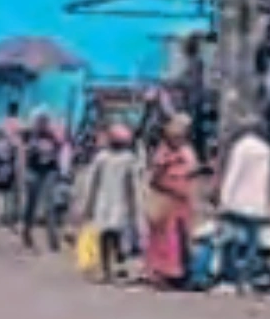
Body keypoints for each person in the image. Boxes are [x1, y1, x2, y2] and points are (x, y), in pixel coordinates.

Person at [75, 123, 143, 281]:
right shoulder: (108, 158)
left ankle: (112, 266)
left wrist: (87, 204)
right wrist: (87, 204)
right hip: (108, 202)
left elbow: (132, 184)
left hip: (114, 202)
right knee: (108, 234)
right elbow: (92, 182)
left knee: (111, 234)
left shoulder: (122, 159)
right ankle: (109, 268)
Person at [216, 125, 270, 291]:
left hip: (238, 202)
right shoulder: (266, 150)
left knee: (231, 241)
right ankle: (247, 279)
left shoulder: (240, 148)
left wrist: (224, 199)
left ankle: (230, 278)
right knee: (252, 243)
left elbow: (233, 174)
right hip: (257, 203)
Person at [144, 113, 199, 287]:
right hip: (166, 201)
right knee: (165, 238)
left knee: (179, 238)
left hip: (181, 202)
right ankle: (162, 273)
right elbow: (155, 177)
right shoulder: (163, 152)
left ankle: (176, 273)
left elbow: (192, 171)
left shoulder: (186, 151)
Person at [18, 109, 70, 252]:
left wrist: (63, 170)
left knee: (50, 206)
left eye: (44, 121)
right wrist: (23, 173)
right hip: (33, 171)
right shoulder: (28, 135)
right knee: (31, 204)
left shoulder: (52, 136)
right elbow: (22, 153)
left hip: (49, 172)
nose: (42, 124)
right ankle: (26, 233)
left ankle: (53, 240)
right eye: (39, 121)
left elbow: (63, 150)